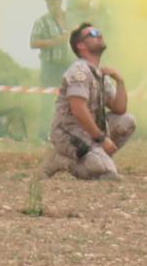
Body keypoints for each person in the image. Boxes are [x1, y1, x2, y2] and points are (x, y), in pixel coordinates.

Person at [43, 22, 134, 179]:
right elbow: (79, 110)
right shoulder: (79, 72)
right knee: (106, 173)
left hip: (89, 131)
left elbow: (120, 109)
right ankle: (62, 160)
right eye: (92, 34)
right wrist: (102, 139)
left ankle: (96, 158)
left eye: (99, 32)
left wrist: (120, 81)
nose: (99, 35)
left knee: (127, 121)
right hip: (69, 133)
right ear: (81, 45)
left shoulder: (99, 75)